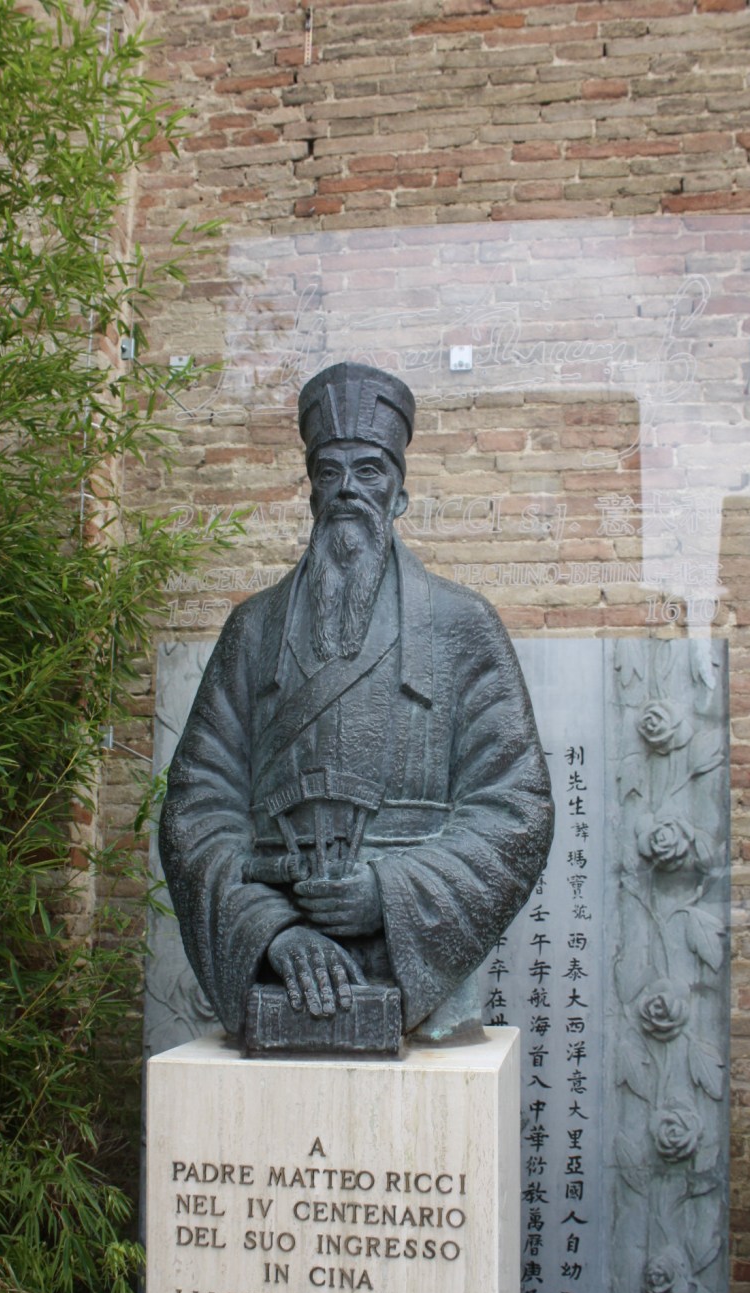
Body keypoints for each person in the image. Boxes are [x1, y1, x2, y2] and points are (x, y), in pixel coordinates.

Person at [159, 362, 553, 1041]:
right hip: (277, 951)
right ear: (311, 491)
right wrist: (274, 931)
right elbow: (197, 810)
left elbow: (515, 810)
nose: (348, 490)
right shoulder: (252, 631)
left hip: (409, 957)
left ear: (400, 493)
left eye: (369, 472)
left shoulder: (462, 626)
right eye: (330, 472)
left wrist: (390, 896)